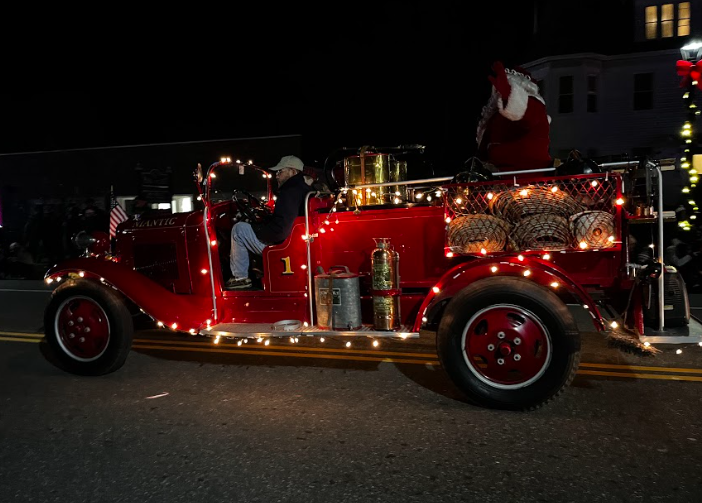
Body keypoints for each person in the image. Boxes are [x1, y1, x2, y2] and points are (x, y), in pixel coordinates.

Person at [226, 155, 313, 290]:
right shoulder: (302, 189)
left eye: (280, 171)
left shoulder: (289, 191)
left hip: (284, 244)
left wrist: (259, 228)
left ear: (293, 172)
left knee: (239, 229)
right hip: (298, 241)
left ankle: (240, 278)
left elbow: (280, 230)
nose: (277, 176)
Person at [476, 61, 552, 174]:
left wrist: (509, 93)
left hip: (527, 177)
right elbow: (484, 150)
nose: (497, 91)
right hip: (497, 178)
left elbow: (527, 117)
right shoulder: (494, 116)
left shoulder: (534, 105)